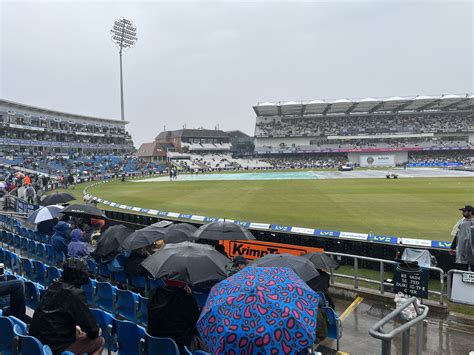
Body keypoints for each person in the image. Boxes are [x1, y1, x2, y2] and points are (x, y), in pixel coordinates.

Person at [29, 258, 104, 355]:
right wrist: (97, 331)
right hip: (54, 349)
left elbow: (55, 315)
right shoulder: (75, 295)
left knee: (77, 333)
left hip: (36, 344)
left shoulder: (53, 286)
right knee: (99, 340)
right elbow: (93, 331)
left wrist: (75, 326)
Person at [147, 277, 202, 354]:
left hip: (153, 344)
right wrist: (190, 297)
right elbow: (196, 325)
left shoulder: (154, 292)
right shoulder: (186, 299)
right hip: (179, 347)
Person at [449, 205, 474, 270]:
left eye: (464, 211)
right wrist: (452, 247)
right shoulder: (463, 222)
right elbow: (458, 235)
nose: (462, 213)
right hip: (463, 252)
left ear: (470, 212)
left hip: (471, 251)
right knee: (462, 269)